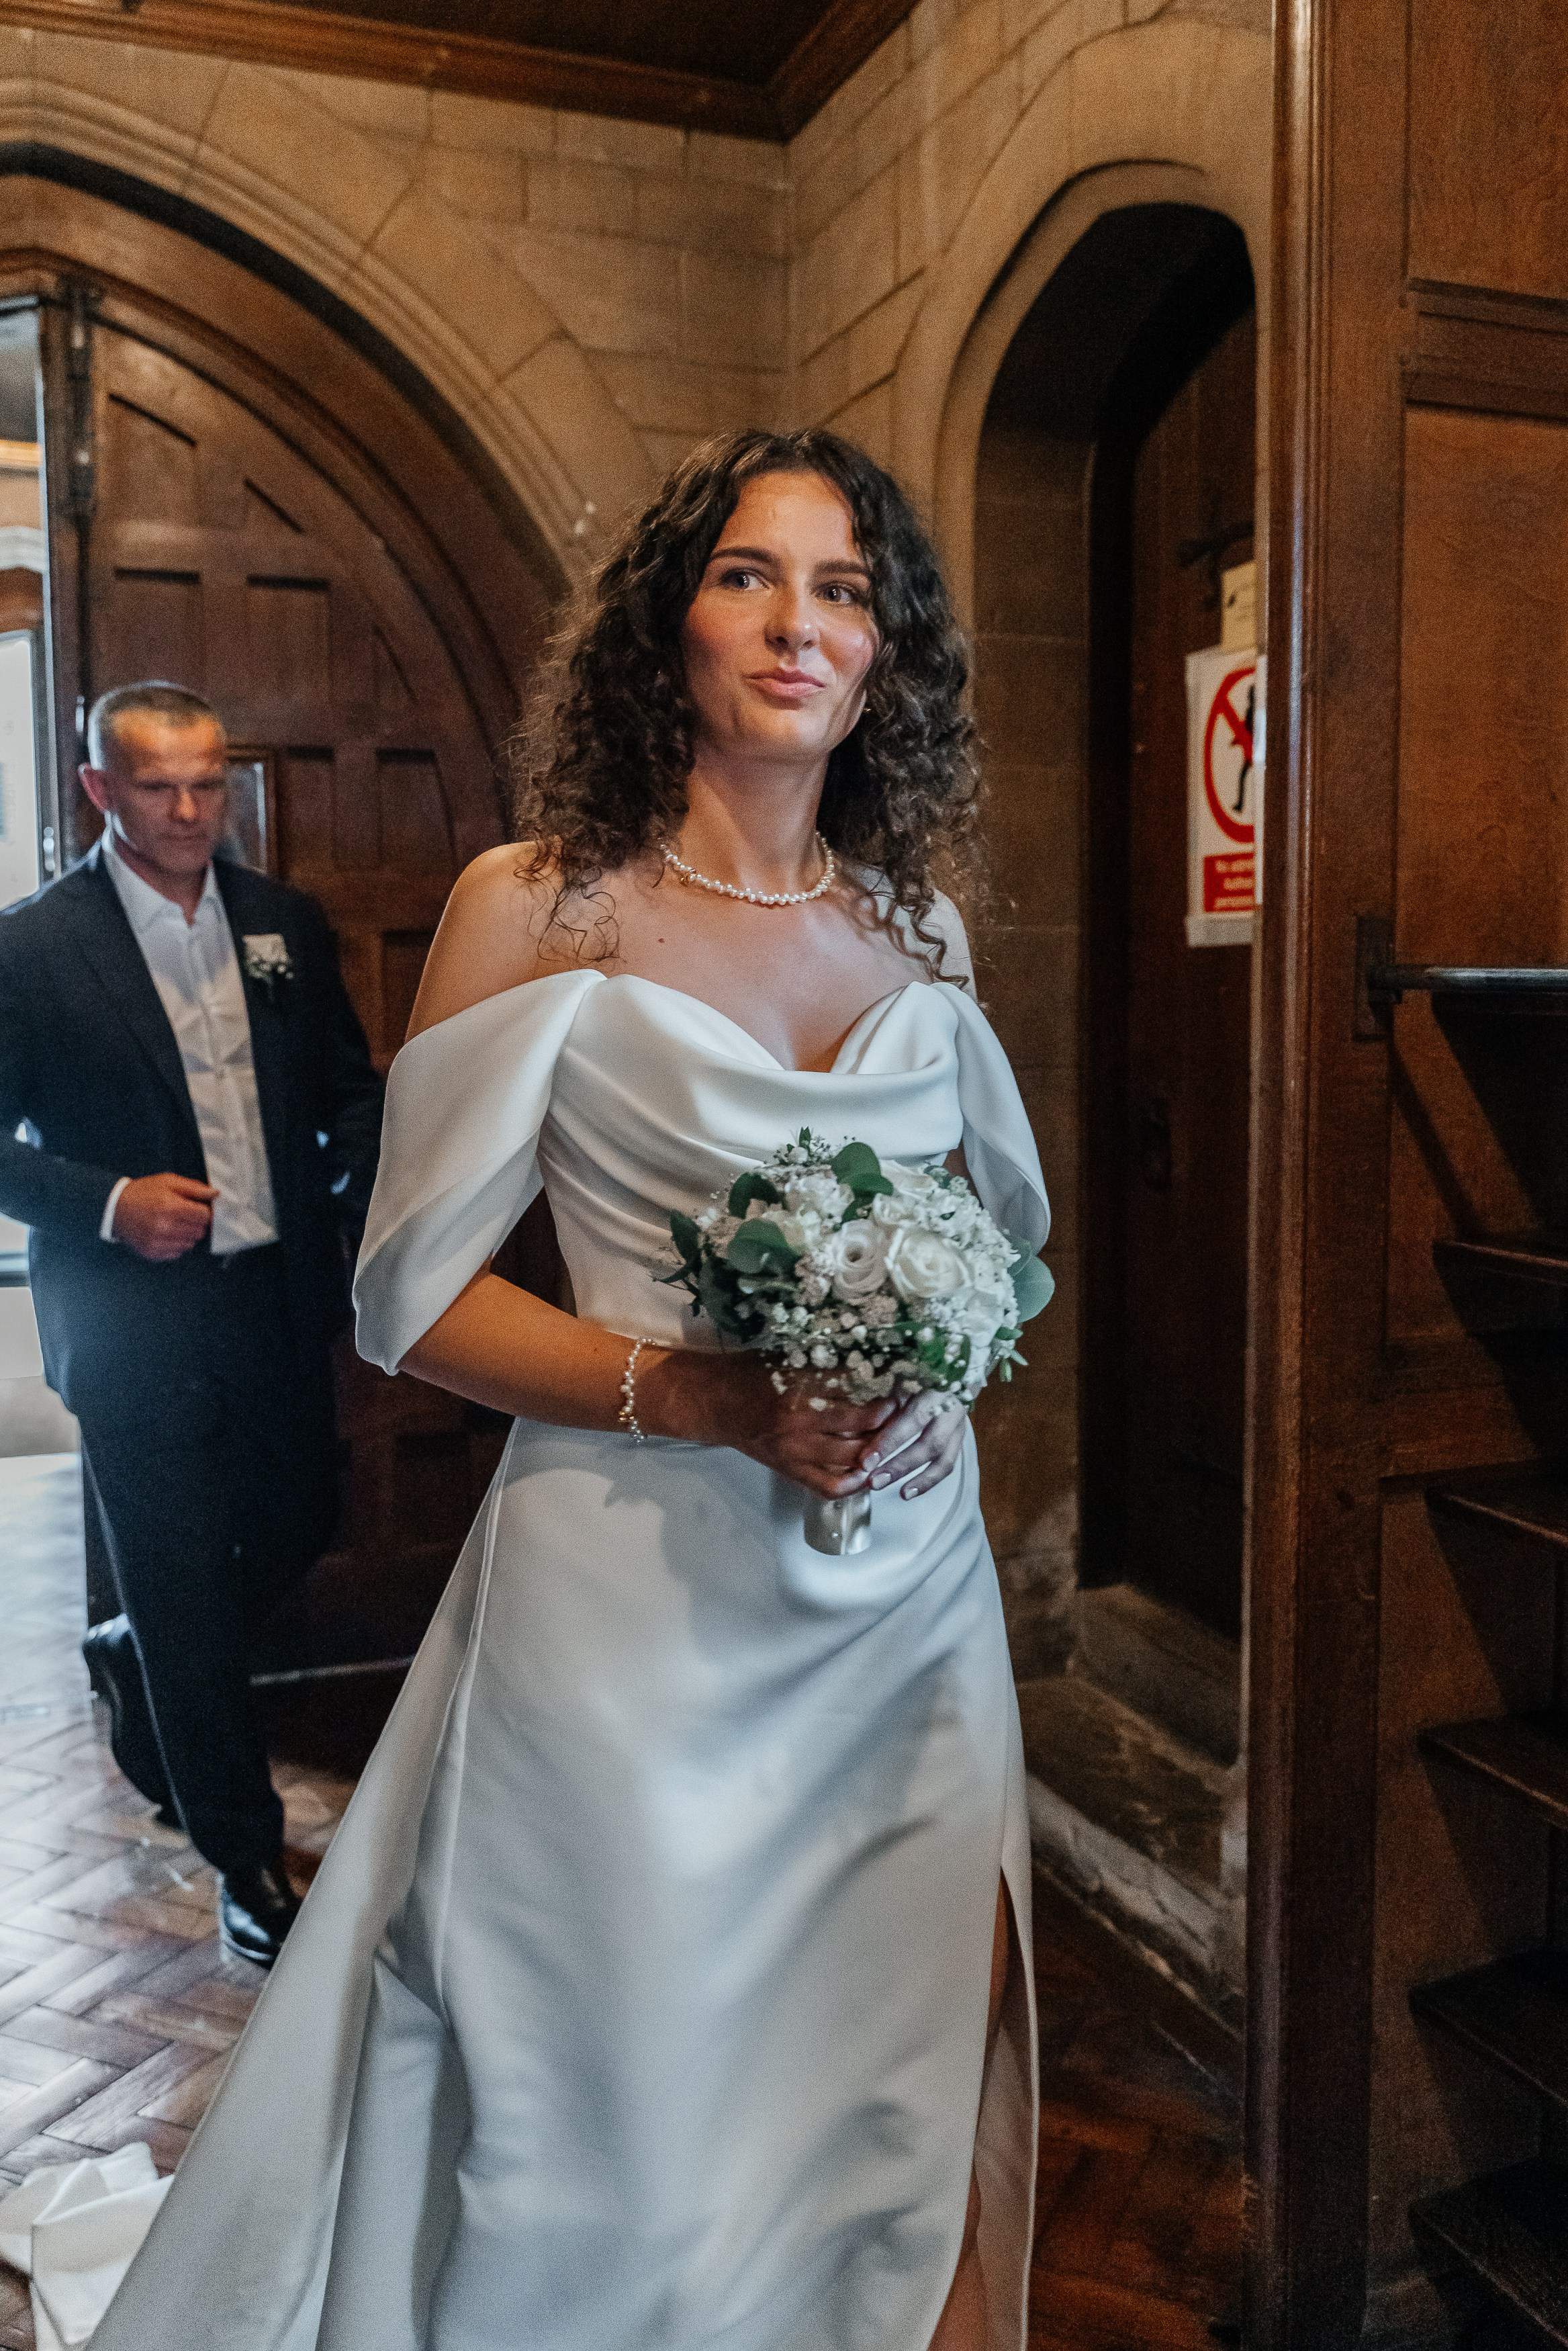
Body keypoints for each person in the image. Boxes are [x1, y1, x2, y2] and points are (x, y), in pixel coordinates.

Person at [91, 431, 1049, 2351]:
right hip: (637, 1601)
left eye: (846, 588)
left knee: (895, 2059)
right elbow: (408, 1298)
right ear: (666, 626)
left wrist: (938, 1368)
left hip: (903, 1597)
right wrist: (703, 1395)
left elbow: (989, 1249)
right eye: (751, 577)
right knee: (617, 2104)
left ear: (890, 654)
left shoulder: (920, 931)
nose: (801, 625)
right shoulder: (543, 906)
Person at [0, 682, 383, 1967]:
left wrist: (364, 1205)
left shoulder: (283, 922)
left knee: (301, 1518)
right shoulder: (30, 947)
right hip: (126, 1316)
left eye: (208, 784)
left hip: (275, 1295)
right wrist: (107, 1203)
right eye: (156, 785)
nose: (187, 810)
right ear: (97, 789)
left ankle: (139, 1648)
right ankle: (244, 1855)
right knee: (176, 1573)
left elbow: (345, 1088)